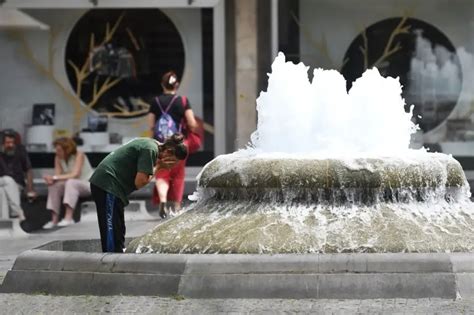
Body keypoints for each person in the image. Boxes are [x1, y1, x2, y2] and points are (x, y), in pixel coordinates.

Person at [89, 134, 187, 253]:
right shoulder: (150, 150)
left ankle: (117, 255)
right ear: (168, 152)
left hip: (112, 186)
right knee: (111, 230)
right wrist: (160, 166)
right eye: (173, 162)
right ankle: (110, 259)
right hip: (107, 183)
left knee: (118, 227)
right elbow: (140, 182)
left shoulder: (152, 145)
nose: (172, 166)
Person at [147, 71, 200, 219]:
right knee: (177, 175)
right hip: (177, 143)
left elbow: (151, 125)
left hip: (161, 144)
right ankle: (176, 207)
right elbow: (192, 123)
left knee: (162, 173)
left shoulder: (155, 101)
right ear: (176, 85)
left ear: (162, 85)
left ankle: (163, 200)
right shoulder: (182, 101)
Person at [42, 137, 93, 228]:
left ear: (67, 150)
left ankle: (68, 218)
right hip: (70, 184)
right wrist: (51, 180)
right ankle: (54, 220)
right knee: (54, 185)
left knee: (71, 182)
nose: (57, 152)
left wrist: (54, 177)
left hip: (87, 184)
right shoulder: (58, 157)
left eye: (59, 150)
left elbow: (75, 174)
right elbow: (58, 175)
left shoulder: (79, 155)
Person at [0, 129, 36, 221]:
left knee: (2, 192)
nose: (11, 145)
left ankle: (5, 220)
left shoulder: (20, 150)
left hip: (16, 184)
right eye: (8, 143)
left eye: (12, 142)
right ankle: (17, 212)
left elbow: (28, 170)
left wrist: (30, 189)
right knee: (6, 180)